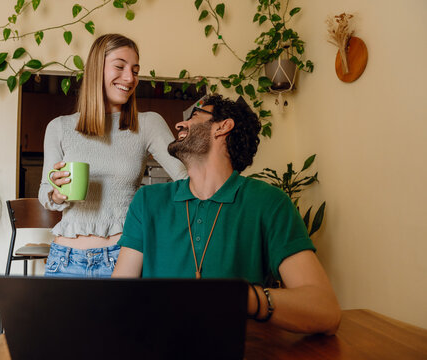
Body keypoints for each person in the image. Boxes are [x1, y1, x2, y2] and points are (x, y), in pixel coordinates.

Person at [112, 94, 341, 335]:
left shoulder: (270, 203)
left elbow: (326, 311)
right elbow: (117, 299)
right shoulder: (148, 201)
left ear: (223, 126)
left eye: (194, 117)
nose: (179, 125)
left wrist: (243, 297)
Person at [39, 34, 187, 278]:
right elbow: (46, 190)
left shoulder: (148, 124)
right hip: (65, 261)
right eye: (119, 67)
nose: (130, 78)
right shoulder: (59, 127)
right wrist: (56, 193)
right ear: (97, 69)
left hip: (122, 259)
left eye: (135, 70)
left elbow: (186, 179)